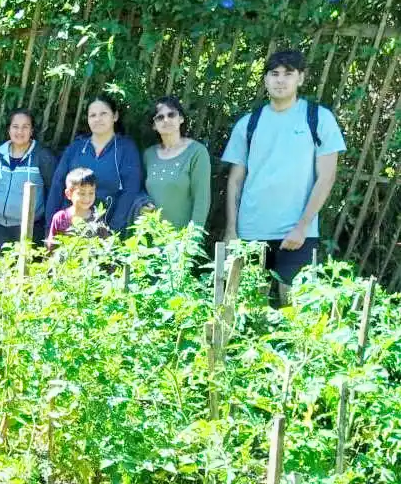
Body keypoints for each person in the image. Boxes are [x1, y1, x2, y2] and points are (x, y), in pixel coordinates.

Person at [222, 49, 345, 304]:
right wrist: (232, 229)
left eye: (288, 74)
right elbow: (235, 180)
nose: (281, 80)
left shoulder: (318, 118)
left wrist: (302, 226)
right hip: (250, 232)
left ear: (300, 78)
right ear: (265, 80)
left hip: (297, 232)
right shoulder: (249, 123)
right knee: (248, 306)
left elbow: (327, 177)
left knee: (293, 307)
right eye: (274, 74)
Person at [45, 95, 141, 233]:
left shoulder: (126, 149)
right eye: (93, 115)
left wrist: (111, 231)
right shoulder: (76, 148)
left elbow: (130, 191)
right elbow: (57, 185)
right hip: (69, 229)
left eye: (103, 114)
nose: (97, 119)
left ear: (115, 116)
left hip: (106, 229)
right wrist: (50, 227)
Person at [0, 108, 57, 256]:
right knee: (4, 271)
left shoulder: (42, 157)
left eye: (25, 127)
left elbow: (54, 191)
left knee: (25, 274)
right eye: (15, 126)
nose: (20, 131)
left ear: (32, 130)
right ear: (9, 129)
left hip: (29, 227)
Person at [143, 96, 211, 229]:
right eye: (160, 117)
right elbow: (140, 191)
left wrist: (193, 240)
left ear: (181, 118)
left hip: (181, 241)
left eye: (171, 114)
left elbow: (202, 200)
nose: (166, 120)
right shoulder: (148, 155)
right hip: (149, 239)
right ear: (154, 126)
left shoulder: (197, 152)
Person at [46, 168, 109, 249]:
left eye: (91, 193)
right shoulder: (60, 218)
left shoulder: (97, 217)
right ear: (68, 194)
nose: (87, 198)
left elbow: (105, 247)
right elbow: (51, 248)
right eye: (82, 193)